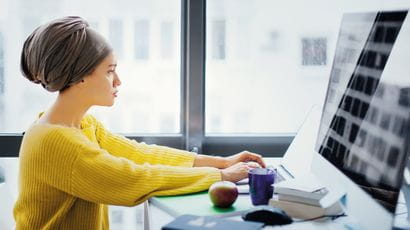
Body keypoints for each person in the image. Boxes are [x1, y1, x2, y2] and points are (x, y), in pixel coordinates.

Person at [13, 16, 265, 229]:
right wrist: (220, 175)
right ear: (80, 78)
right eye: (109, 71)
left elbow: (139, 154)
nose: (118, 81)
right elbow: (130, 179)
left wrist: (223, 162)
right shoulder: (56, 142)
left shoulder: (80, 125)